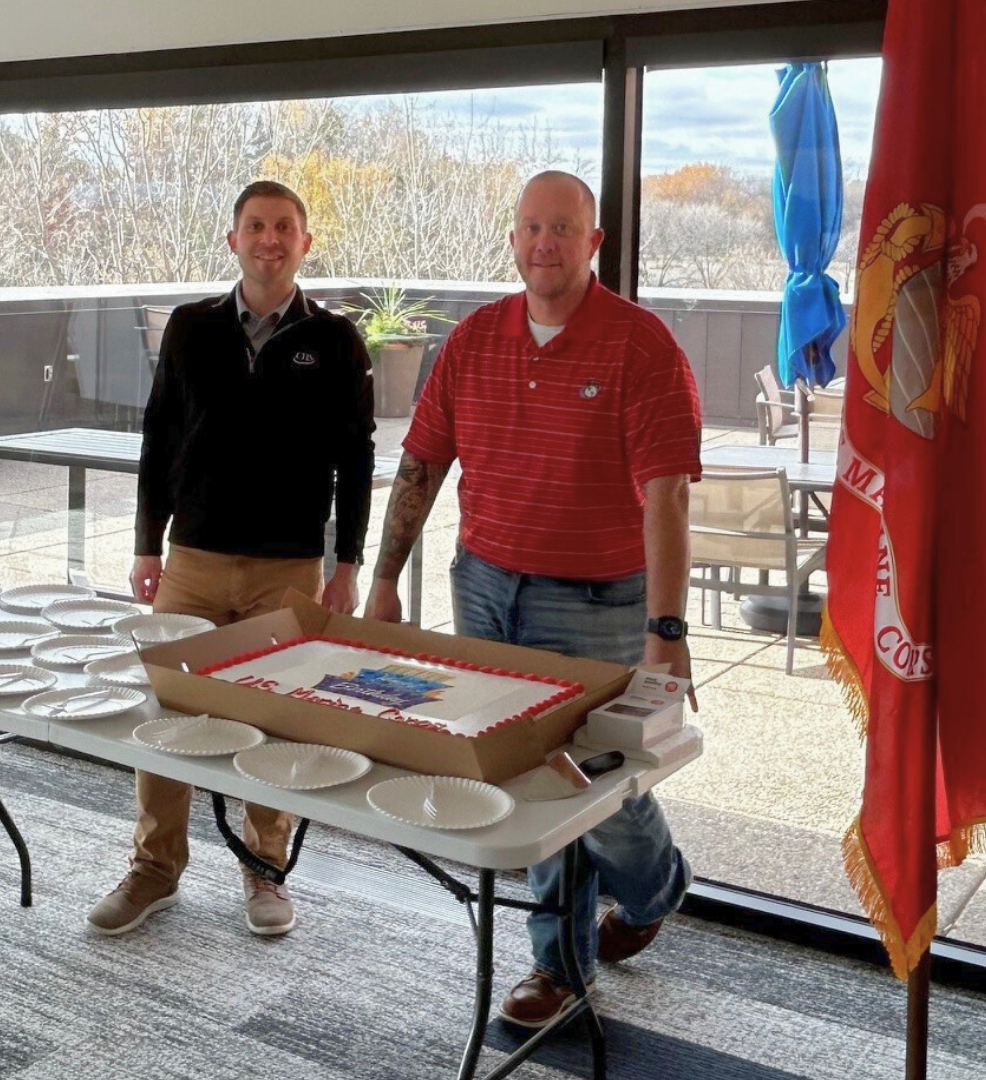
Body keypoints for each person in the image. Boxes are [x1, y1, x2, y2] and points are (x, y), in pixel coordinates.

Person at [363, 170, 700, 1027]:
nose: (545, 243)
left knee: (593, 780)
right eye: (531, 228)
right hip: (483, 588)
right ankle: (559, 966)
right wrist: (384, 578)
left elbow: (667, 496)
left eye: (563, 228)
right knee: (526, 777)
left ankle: (654, 886)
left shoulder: (641, 345)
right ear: (512, 240)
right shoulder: (475, 339)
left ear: (594, 242)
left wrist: (666, 631)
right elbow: (422, 463)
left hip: (596, 602)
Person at [90, 180, 374, 939]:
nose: (269, 239)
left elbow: (355, 457)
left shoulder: (336, 340)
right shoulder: (191, 327)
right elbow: (159, 434)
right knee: (165, 718)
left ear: (305, 243)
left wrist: (347, 563)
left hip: (289, 567)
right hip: (193, 559)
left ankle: (265, 869)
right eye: (255, 226)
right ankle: (155, 869)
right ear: (233, 240)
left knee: (274, 723)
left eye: (283, 227)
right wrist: (146, 542)